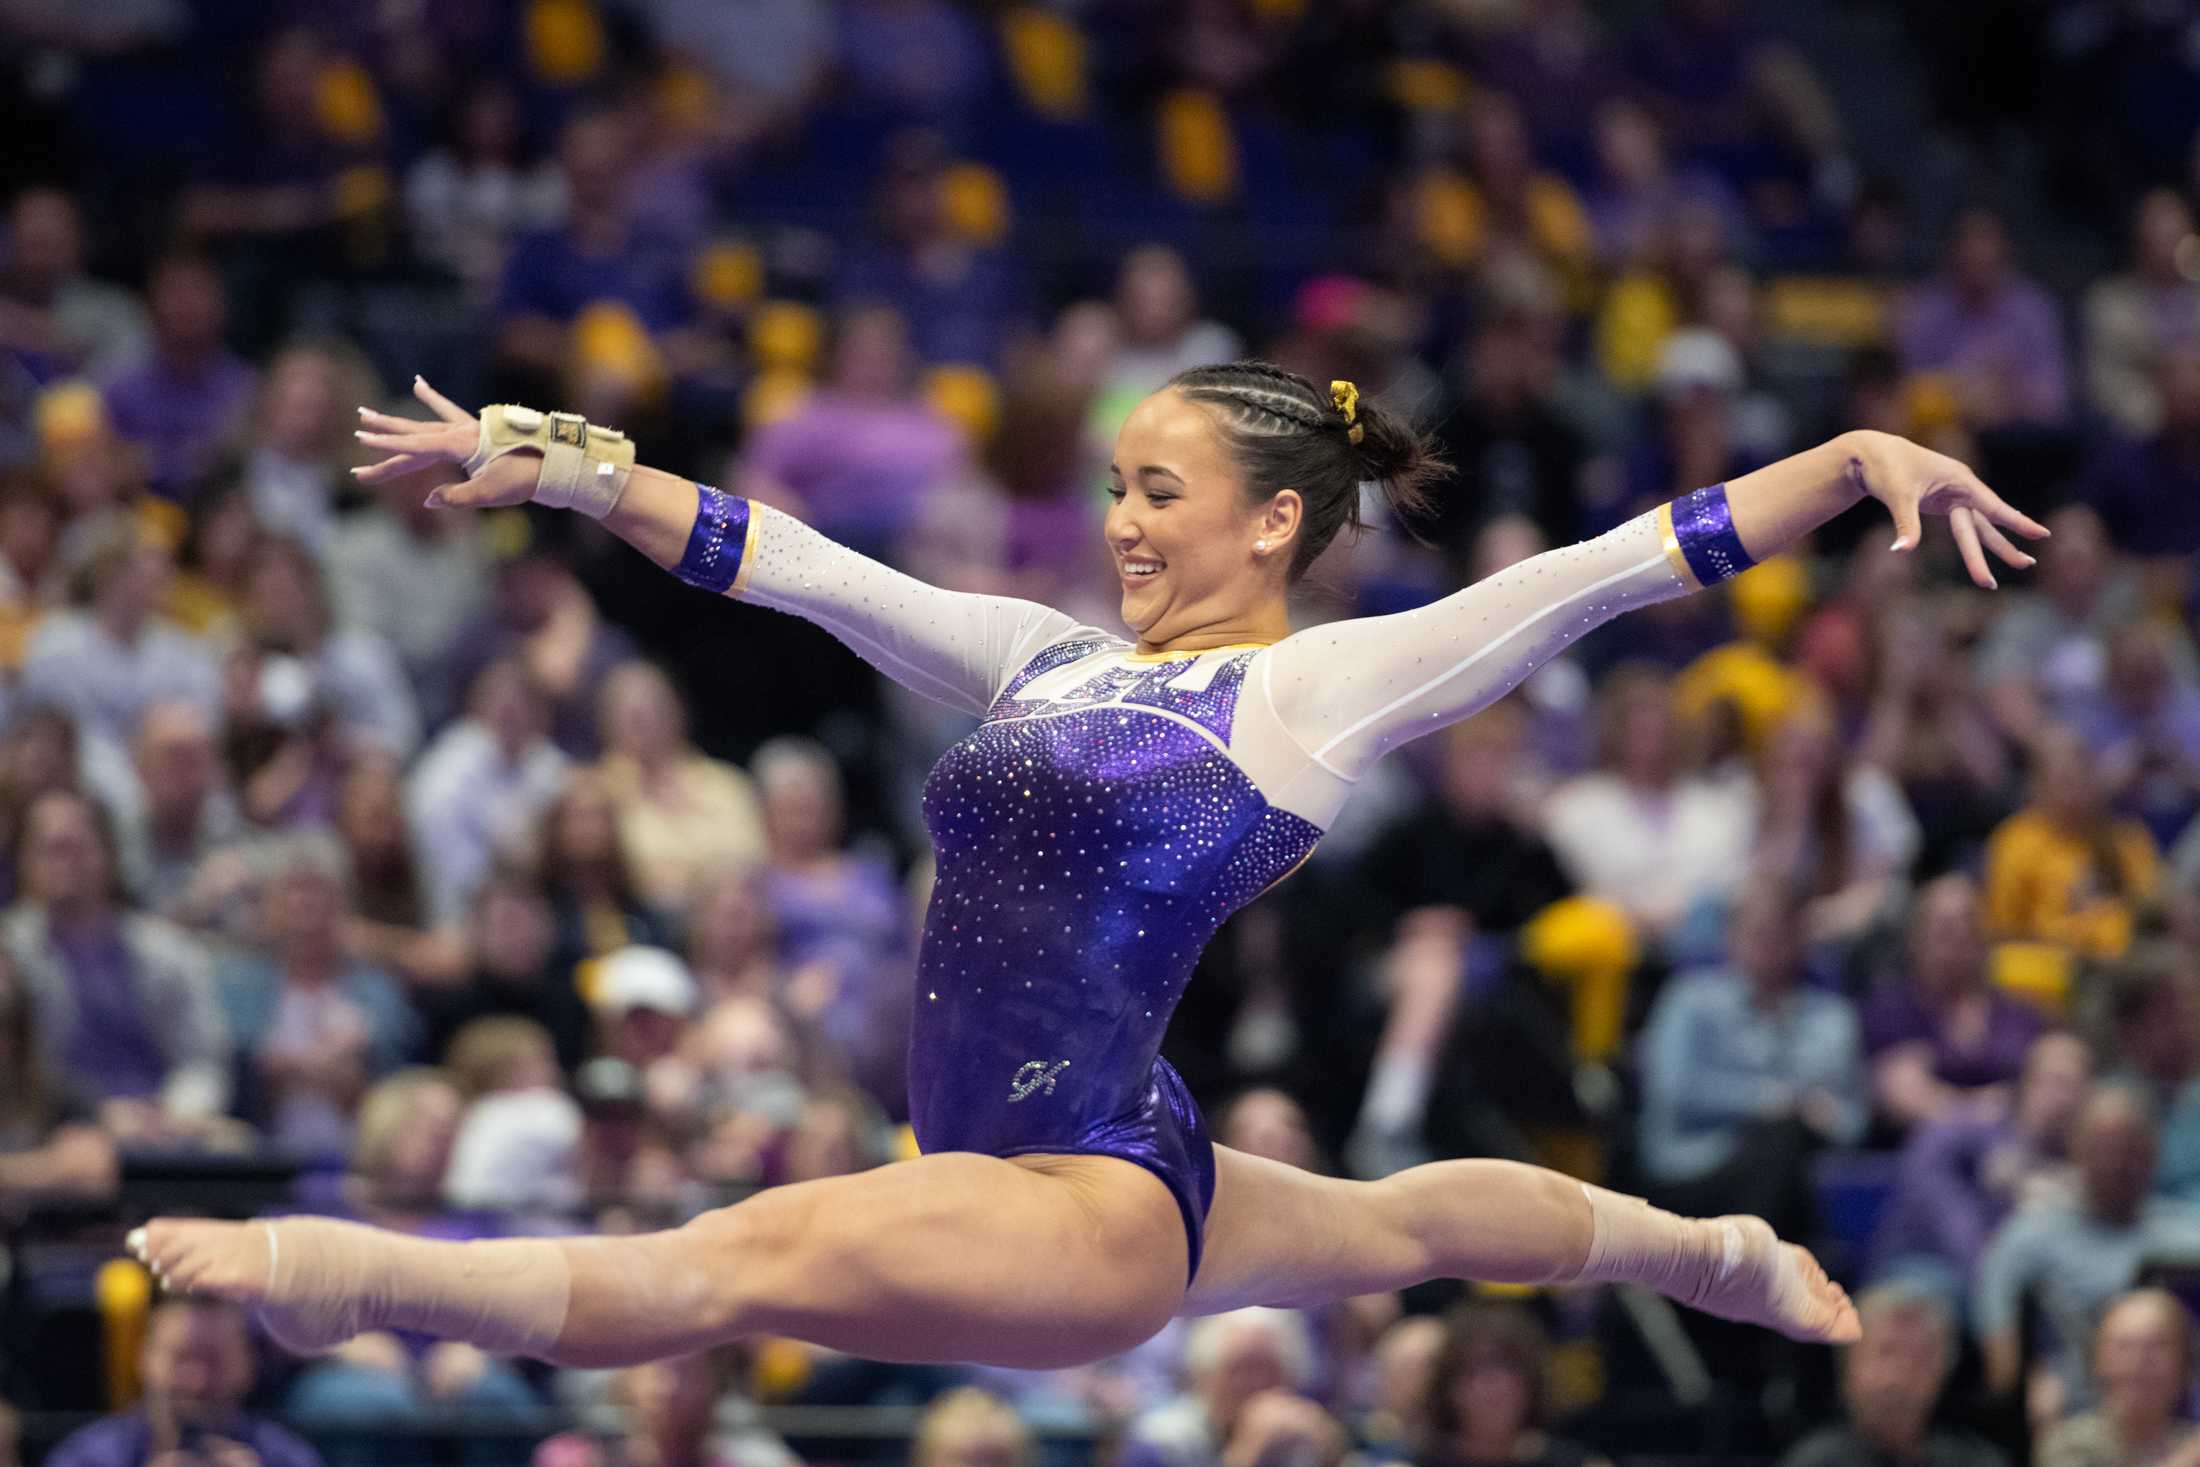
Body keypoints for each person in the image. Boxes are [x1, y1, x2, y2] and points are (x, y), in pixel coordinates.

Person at [137, 362, 2049, 1371]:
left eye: (1159, 493)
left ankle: (343, 1279)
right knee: (1398, 1229)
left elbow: (1616, 568)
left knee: (732, 1265)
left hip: (1080, 1196)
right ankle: (1717, 1253)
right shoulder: (1041, 662)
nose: (1118, 523)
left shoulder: (1309, 689)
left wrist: (1860, 449)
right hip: (1101, 1145)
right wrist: (551, 462)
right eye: (1118, 487)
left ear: (1276, 516)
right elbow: (787, 560)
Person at [43, 1296, 323, 1467]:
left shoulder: (288, 1459)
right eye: (180, 1359)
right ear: (143, 1358)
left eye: (213, 1360)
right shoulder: (87, 1459)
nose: (196, 1380)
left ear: (249, 1365)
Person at [1774, 1282, 2007, 1467]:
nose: (1897, 1376)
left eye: (1917, 1359)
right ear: (1849, 1364)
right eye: (1885, 1353)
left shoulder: (1977, 1460)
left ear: (1943, 1372)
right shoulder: (1814, 1462)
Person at [1412, 1302, 1609, 1467]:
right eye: (1475, 1370)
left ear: (1532, 1384)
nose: (1495, 1386)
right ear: (1448, 1387)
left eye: (1509, 1370)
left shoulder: (1578, 1463)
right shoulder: (1412, 1463)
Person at [2036, 1288, 2200, 1467]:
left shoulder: (2190, 1440)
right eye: (2124, 1346)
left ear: (2185, 1363)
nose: (2139, 1361)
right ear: (2096, 1360)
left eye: (2158, 1346)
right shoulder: (2069, 1444)